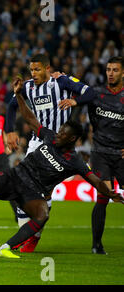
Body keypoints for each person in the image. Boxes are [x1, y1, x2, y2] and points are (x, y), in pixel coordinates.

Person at [0, 76, 124, 259]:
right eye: (59, 132)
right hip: (16, 176)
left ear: (72, 139)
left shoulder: (75, 160)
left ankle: (5, 248)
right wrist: (18, 96)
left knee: (43, 215)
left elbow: (94, 179)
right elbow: (30, 119)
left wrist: (110, 193)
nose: (58, 134)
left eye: (62, 134)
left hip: (33, 192)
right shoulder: (51, 137)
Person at [4, 53, 96, 252]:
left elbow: (91, 93)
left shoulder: (61, 81)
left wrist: (75, 102)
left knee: (45, 191)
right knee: (21, 185)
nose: (34, 73)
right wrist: (10, 130)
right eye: (31, 70)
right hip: (37, 142)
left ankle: (33, 236)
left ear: (47, 68)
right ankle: (27, 237)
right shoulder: (27, 87)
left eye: (37, 69)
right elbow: (11, 106)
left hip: (59, 146)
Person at [58, 56, 124, 254]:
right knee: (103, 197)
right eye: (108, 69)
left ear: (123, 73)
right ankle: (96, 245)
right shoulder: (96, 93)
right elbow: (76, 86)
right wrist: (61, 78)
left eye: (115, 70)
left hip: (121, 154)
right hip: (100, 152)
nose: (111, 73)